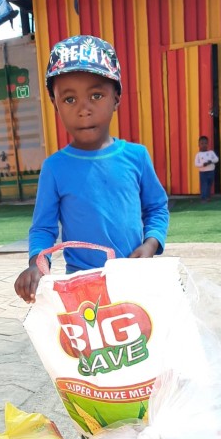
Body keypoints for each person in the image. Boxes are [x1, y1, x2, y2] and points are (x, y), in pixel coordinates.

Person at [14, 34, 169, 304]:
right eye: (69, 99)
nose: (83, 109)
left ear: (116, 98)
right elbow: (43, 228)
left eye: (96, 95)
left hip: (135, 280)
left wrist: (151, 244)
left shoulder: (136, 157)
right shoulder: (55, 168)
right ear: (55, 104)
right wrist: (37, 264)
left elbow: (157, 208)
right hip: (82, 290)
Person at [195, 135, 219, 203]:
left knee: (209, 184)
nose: (204, 145)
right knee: (204, 185)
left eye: (205, 143)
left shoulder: (211, 152)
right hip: (203, 173)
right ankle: (203, 198)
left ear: (208, 144)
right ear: (199, 145)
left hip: (211, 172)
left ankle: (208, 196)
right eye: (202, 143)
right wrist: (203, 164)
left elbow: (216, 159)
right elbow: (196, 164)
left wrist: (211, 161)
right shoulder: (198, 154)